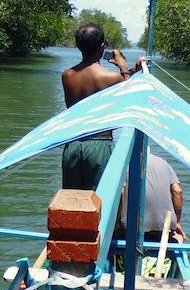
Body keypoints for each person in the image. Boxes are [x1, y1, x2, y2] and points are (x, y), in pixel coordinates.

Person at [60, 24, 143, 190]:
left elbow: (94, 86)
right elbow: (131, 97)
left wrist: (131, 72)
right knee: (99, 201)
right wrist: (124, 68)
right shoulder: (111, 77)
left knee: (73, 201)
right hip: (99, 143)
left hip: (73, 144)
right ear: (103, 45)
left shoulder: (67, 75)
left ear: (78, 46)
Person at [118, 152, 186, 243]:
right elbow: (177, 191)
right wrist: (177, 222)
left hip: (133, 227)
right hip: (165, 225)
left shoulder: (125, 165)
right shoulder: (164, 163)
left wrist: (118, 222)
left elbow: (122, 194)